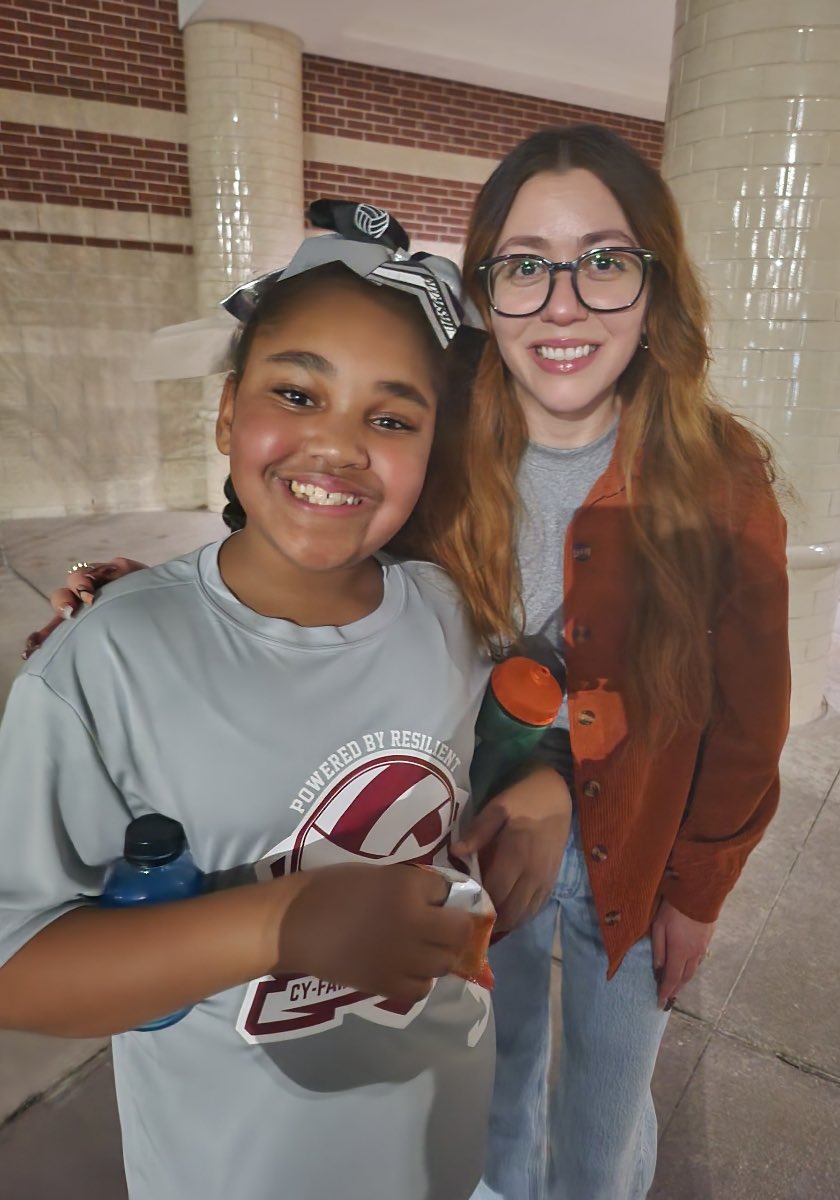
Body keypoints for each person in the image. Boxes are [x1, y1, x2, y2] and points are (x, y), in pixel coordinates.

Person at [27, 124, 792, 1200]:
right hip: (479, 825)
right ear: (487, 291)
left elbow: (750, 710)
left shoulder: (719, 473)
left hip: (639, 843)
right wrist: (160, 602)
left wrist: (702, 889)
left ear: (656, 288)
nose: (563, 303)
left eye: (605, 261)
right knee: (496, 1074)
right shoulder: (446, 441)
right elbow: (326, 534)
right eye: (525, 266)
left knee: (608, 1103)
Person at [0, 203, 571, 1200]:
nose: (341, 445)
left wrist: (544, 793)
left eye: (390, 418)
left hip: (438, 1141)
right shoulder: (110, 664)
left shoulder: (448, 615)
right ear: (227, 413)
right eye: (297, 392)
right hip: (239, 1167)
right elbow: (19, 967)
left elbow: (506, 749)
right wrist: (282, 926)